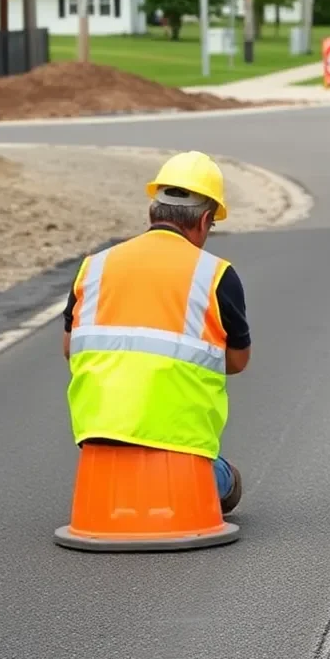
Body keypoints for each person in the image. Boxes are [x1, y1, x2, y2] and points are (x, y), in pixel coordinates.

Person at [62, 151, 250, 515]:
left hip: (97, 442)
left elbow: (71, 346)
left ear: (152, 213)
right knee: (227, 480)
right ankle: (218, 479)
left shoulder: (94, 267)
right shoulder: (216, 274)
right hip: (182, 450)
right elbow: (239, 361)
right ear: (206, 220)